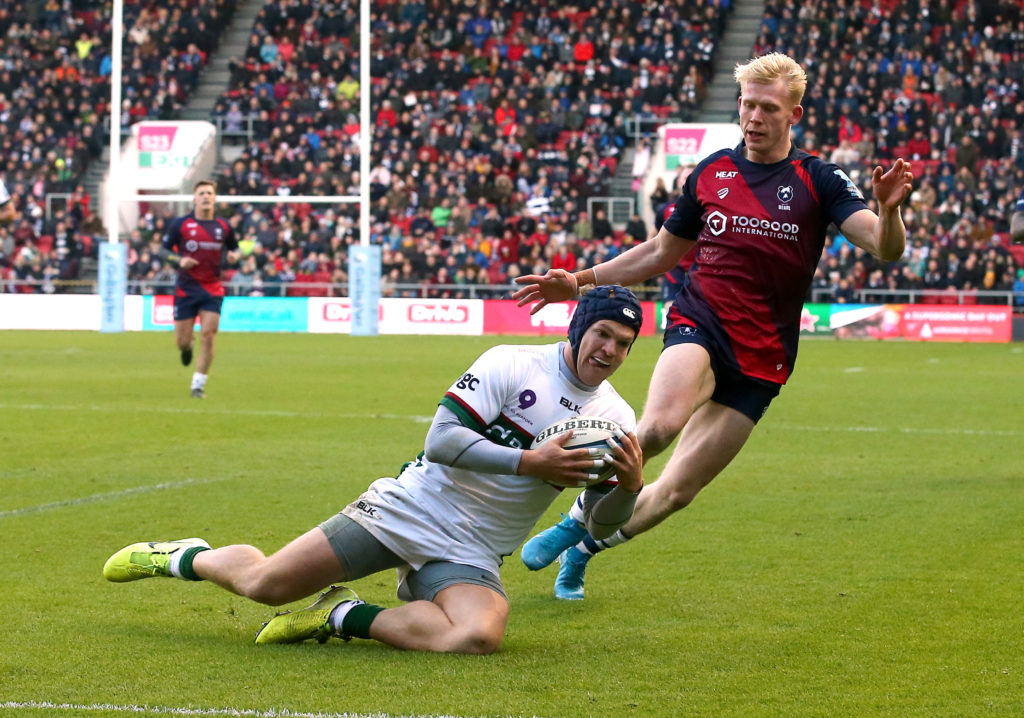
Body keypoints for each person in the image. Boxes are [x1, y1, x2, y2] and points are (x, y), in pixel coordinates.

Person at [513, 53, 913, 600]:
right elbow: (659, 252)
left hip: (764, 356)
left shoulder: (817, 179)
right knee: (655, 429)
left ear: (793, 114)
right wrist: (578, 281)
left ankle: (585, 549)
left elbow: (883, 247)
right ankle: (579, 514)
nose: (753, 117)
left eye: (767, 108)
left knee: (678, 490)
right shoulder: (712, 172)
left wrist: (890, 212)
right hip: (700, 323)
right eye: (746, 104)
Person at [102, 286, 646, 654]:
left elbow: (600, 524)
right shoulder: (512, 363)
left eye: (622, 344)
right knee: (267, 585)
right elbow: (441, 441)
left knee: (478, 636)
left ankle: (342, 615)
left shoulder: (616, 418)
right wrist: (531, 461)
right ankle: (185, 556)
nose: (609, 350)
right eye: (602, 334)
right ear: (578, 327)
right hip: (407, 508)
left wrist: (630, 487)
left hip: (473, 550)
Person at [159, 180, 239, 398]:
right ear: (194, 198)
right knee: (182, 342)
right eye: (201, 193)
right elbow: (163, 251)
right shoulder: (181, 224)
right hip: (186, 289)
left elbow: (236, 248)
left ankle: (198, 385)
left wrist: (234, 256)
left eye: (209, 193)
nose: (206, 196)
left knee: (209, 334)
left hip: (212, 288)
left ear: (214, 198)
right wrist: (179, 260)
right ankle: (187, 348)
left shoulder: (223, 226)